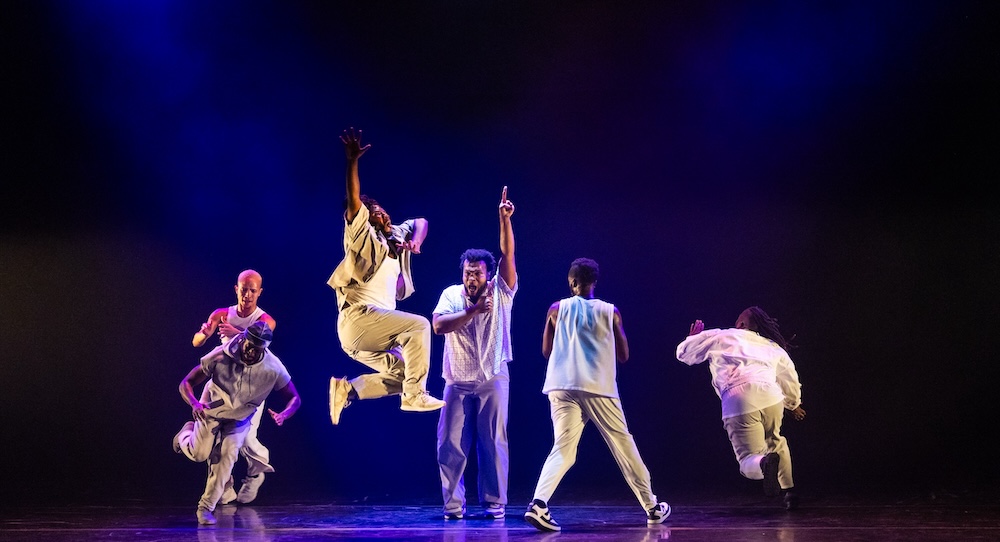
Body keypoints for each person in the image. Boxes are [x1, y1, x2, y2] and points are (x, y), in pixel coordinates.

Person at [524, 258, 670, 532]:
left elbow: (546, 351)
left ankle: (538, 503)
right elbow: (624, 355)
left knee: (563, 449)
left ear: (572, 282)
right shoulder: (610, 311)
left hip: (561, 386)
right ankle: (652, 507)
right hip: (598, 388)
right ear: (594, 282)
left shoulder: (556, 309)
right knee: (623, 445)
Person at [327, 127, 444, 426]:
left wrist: (416, 242)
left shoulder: (395, 238)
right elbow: (353, 201)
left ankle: (348, 390)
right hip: (358, 319)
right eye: (374, 213)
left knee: (404, 373)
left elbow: (421, 222)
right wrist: (352, 162)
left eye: (381, 211)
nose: (381, 216)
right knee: (419, 326)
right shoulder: (362, 235)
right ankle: (415, 396)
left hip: (367, 336)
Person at [433, 186, 518, 520]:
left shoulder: (501, 291)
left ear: (487, 274)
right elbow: (439, 326)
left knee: (493, 443)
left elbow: (508, 256)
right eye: (467, 272)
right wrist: (470, 312)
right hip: (456, 380)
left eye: (477, 272)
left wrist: (504, 219)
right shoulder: (452, 295)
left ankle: (495, 503)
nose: (471, 278)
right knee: (449, 443)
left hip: (493, 375)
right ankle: (454, 505)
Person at [675, 306, 806, 510]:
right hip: (771, 397)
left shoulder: (723, 336)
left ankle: (763, 464)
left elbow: (684, 354)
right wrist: (793, 404)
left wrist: (691, 338)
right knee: (776, 440)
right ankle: (790, 492)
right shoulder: (773, 347)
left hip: (739, 398)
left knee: (748, 460)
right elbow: (790, 378)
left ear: (741, 324)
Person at [173, 321, 301, 525]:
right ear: (243, 339)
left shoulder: (273, 367)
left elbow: (294, 398)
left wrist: (284, 415)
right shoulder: (220, 355)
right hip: (211, 410)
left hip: (240, 417)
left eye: (257, 350)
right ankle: (185, 436)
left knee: (228, 454)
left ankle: (206, 507)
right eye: (249, 346)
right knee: (200, 454)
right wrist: (195, 403)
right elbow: (186, 383)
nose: (251, 352)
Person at [191, 269, 278, 505]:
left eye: (252, 291)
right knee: (216, 437)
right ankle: (225, 486)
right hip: (222, 385)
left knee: (245, 438)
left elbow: (262, 344)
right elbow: (198, 340)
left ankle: (256, 471)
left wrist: (237, 333)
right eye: (244, 289)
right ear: (236, 289)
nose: (247, 295)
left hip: (251, 387)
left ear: (259, 292)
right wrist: (202, 332)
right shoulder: (222, 314)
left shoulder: (264, 320)